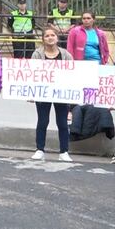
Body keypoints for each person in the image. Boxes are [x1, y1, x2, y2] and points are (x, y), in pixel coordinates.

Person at [30, 26, 74, 162]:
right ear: (43, 39)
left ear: (57, 37)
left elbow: (73, 73)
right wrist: (31, 92)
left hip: (61, 93)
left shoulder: (65, 54)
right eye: (47, 35)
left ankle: (64, 151)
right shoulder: (37, 54)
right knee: (43, 121)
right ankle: (40, 149)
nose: (50, 38)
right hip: (43, 93)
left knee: (62, 123)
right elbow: (31, 73)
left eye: (52, 35)